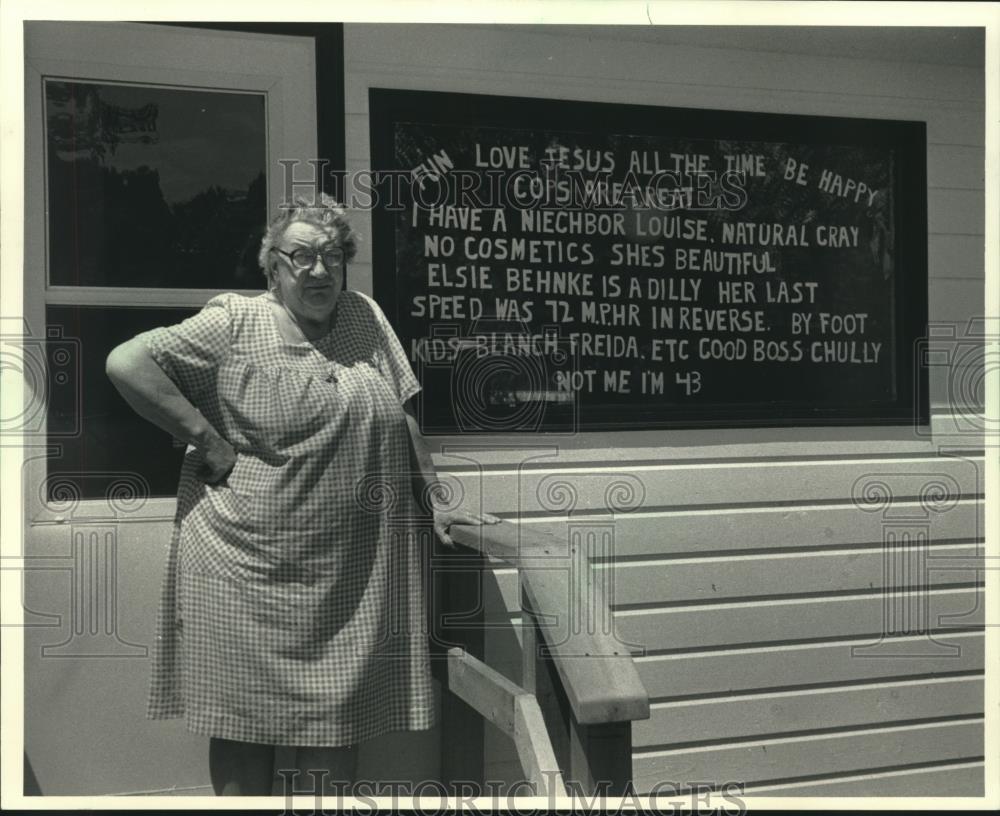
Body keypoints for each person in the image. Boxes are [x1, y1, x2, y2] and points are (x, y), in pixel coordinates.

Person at [106, 194, 500, 796]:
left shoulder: (364, 316)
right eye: (301, 257)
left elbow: (401, 414)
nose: (319, 270)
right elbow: (126, 362)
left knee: (336, 724)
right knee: (242, 726)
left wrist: (437, 498)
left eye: (333, 256)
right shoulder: (233, 320)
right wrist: (205, 439)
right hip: (242, 567)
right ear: (273, 266)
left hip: (348, 573)